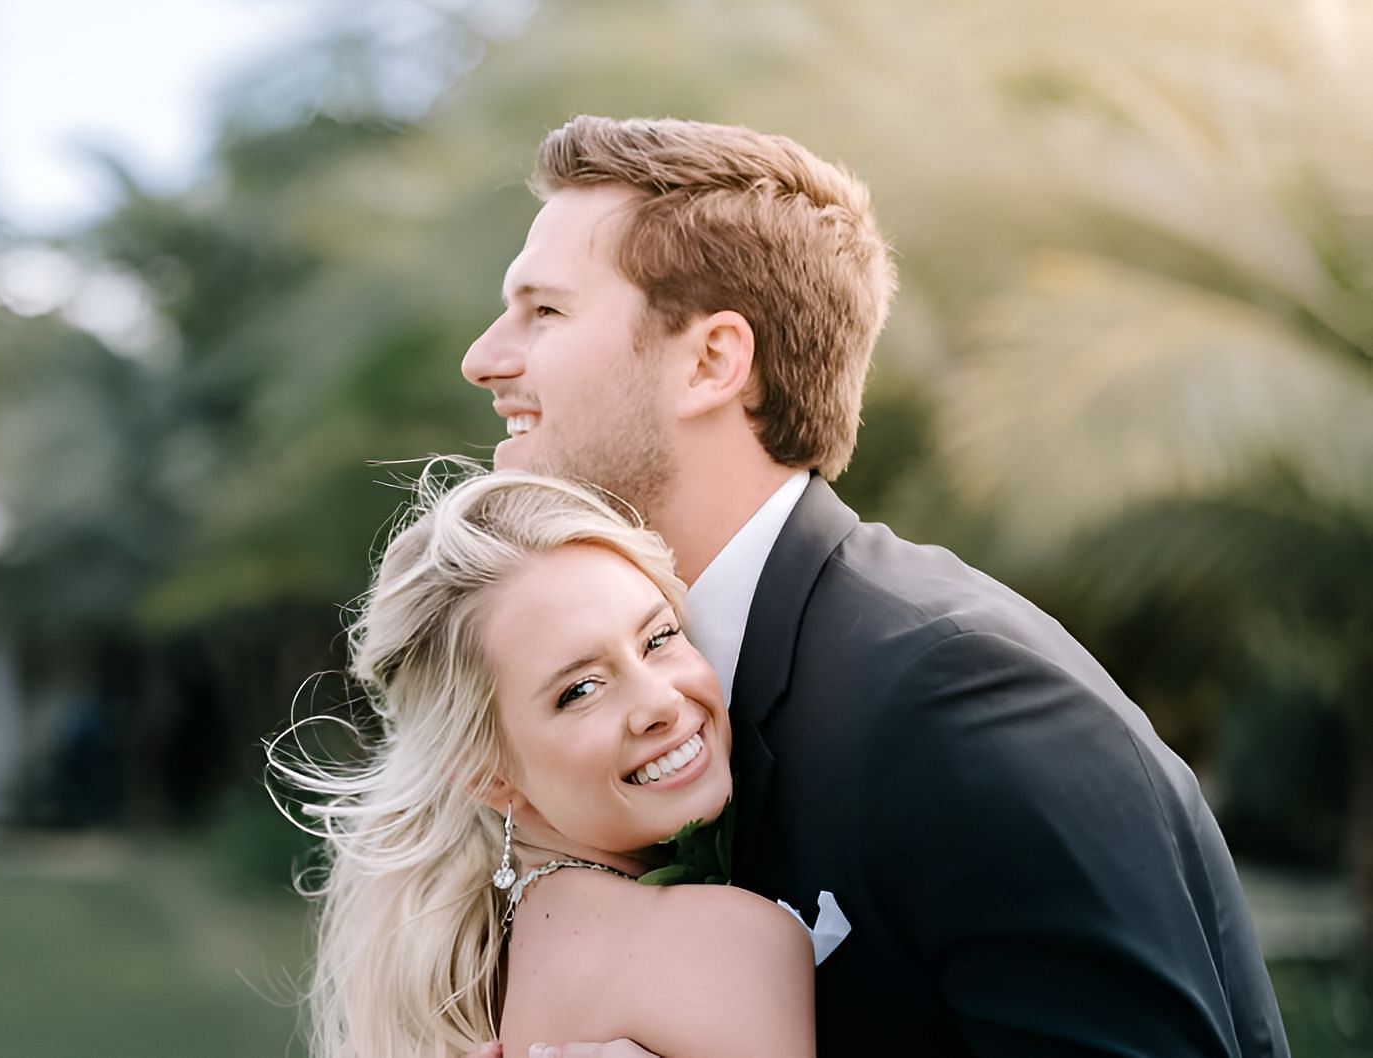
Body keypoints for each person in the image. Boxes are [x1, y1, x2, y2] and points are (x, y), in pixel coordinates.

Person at [459, 115, 1289, 1056]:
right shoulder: (690, 695)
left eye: (545, 311)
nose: (484, 358)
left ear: (711, 363)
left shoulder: (955, 700)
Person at [268, 468, 817, 1057]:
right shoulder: (723, 942)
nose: (660, 702)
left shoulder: (486, 980)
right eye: (580, 690)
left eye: (658, 638)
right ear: (488, 776)